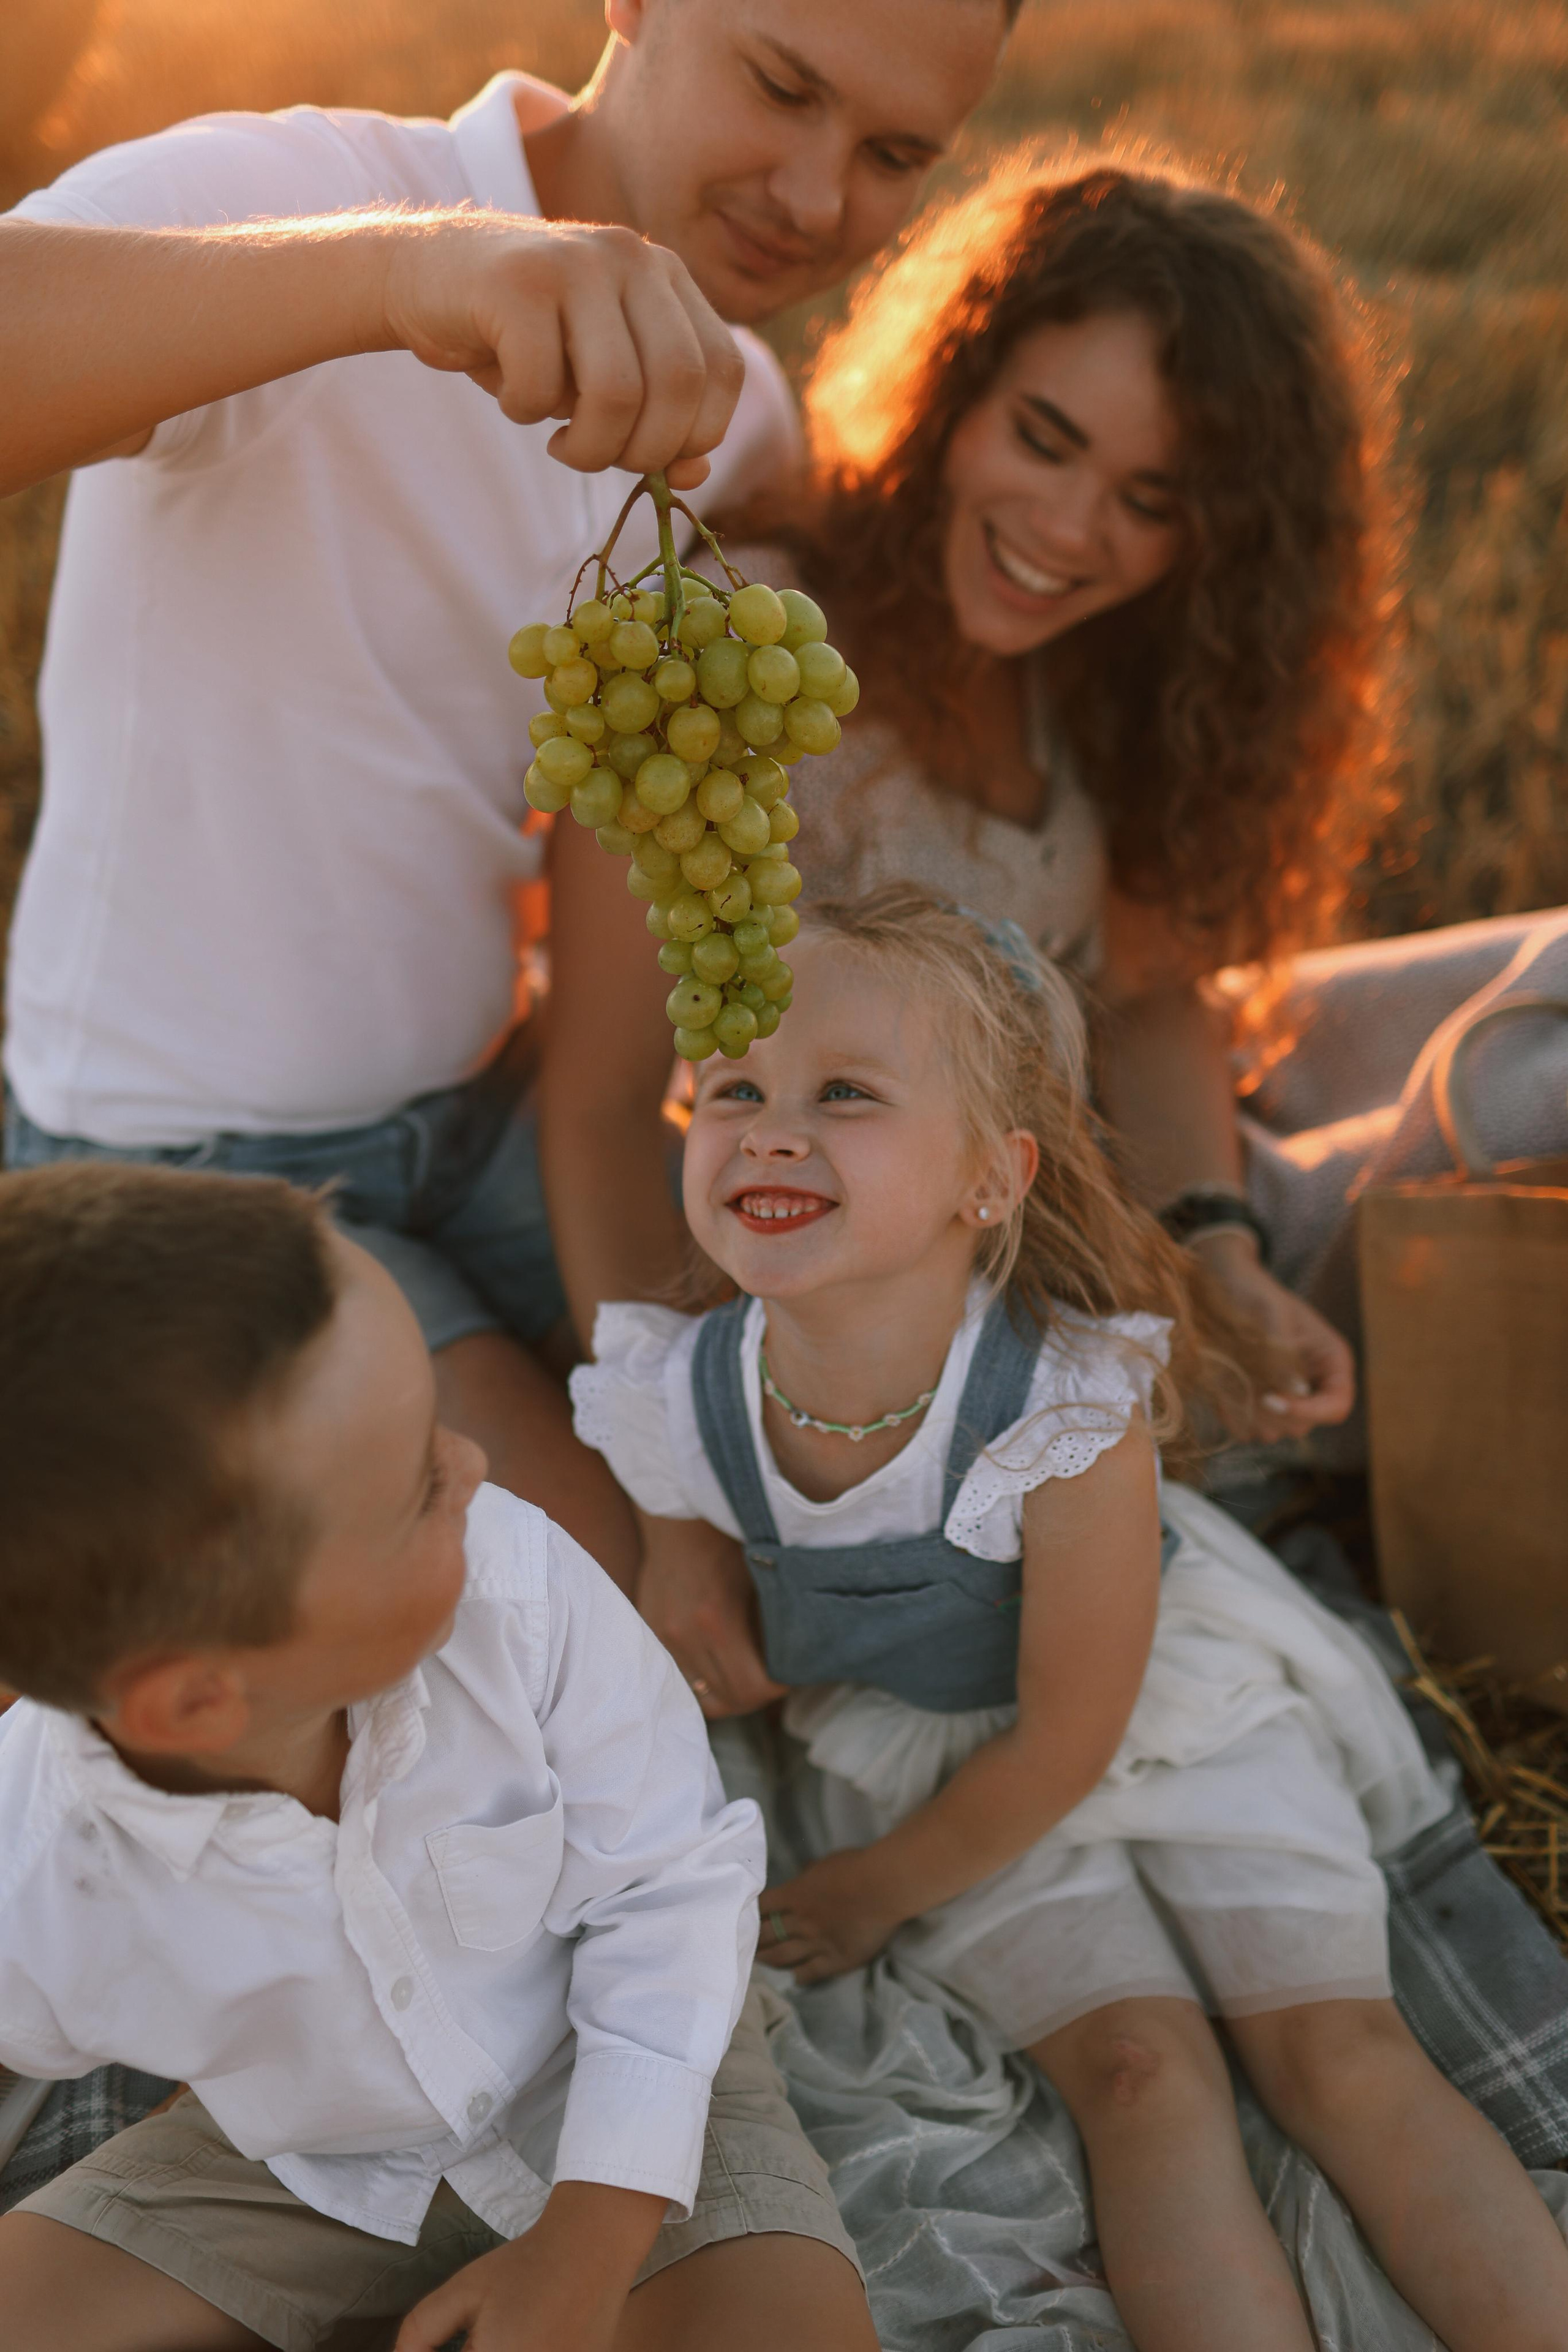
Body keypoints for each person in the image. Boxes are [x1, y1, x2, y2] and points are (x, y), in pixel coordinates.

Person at [0, 0, 1016, 1586]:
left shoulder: (738, 415)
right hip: (184, 1176)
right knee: (604, 1626)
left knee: (899, 1479)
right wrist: (411, 277)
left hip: (500, 1119)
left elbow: (648, 851)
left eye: (894, 156)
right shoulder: (311, 195)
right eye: (783, 87)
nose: (821, 200)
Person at [568, 886, 1568, 2352]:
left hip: (1153, 1720)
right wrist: (684, 1582)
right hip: (922, 1746)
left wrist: (880, 1886)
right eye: (732, 1091)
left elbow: (1076, 1729)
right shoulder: (680, 1393)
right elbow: (688, 1541)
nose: (769, 1129)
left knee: (1337, 2058)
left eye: (842, 1094)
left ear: (987, 1177)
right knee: (1136, 2081)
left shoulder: (1062, 1411)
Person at [638, 155, 1568, 1706]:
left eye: (1150, 503)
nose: (1069, 532)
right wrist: (682, 1488)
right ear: (951, 392)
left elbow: (1147, 998)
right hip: (1015, 1260)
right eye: (1043, 440)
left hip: (1160, 1164)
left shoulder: (1095, 659)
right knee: (1540, 1083)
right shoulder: (755, 637)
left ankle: (1318, 1251)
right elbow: (621, 1100)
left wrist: (1221, 1241)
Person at [0, 1161, 875, 2352]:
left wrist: (586, 2247)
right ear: (197, 1699)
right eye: (417, 1483)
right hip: (312, 2168)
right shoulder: (37, 1867)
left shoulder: (513, 1582)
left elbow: (669, 1890)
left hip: (619, 2078)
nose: (471, 1466)